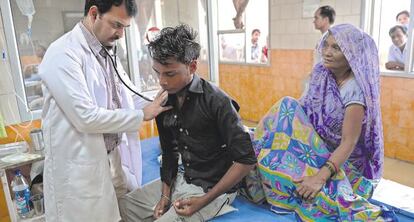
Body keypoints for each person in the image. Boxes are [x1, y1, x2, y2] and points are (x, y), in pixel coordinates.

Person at [39, 0, 171, 221]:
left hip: (113, 158)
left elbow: (126, 97)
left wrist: (167, 97)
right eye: (116, 25)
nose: (120, 34)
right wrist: (142, 115)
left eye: (124, 28)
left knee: (122, 212)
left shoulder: (106, 52)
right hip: (80, 170)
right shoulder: (63, 54)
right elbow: (85, 117)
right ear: (93, 14)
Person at [252, 24, 396, 221]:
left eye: (336, 48)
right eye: (326, 46)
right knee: (285, 110)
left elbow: (348, 142)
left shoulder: (354, 90)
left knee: (313, 190)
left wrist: (319, 178)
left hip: (342, 161)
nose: (327, 52)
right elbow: (302, 113)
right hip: (316, 146)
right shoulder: (322, 74)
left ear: (352, 54)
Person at [119, 24, 256, 222]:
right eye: (158, 73)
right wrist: (165, 196)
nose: (162, 81)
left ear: (192, 66)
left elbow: (246, 160)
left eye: (170, 74)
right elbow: (169, 152)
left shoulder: (217, 101)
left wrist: (204, 201)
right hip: (183, 178)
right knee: (124, 207)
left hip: (212, 189)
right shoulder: (164, 101)